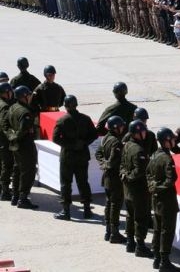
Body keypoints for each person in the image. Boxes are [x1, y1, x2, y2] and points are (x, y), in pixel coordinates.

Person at [52, 95, 98, 220]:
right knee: (83, 182)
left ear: (65, 106)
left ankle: (66, 211)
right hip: (82, 155)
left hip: (68, 156)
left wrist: (70, 145)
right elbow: (94, 134)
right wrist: (83, 143)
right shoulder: (85, 119)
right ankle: (87, 210)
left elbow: (55, 138)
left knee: (66, 184)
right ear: (76, 105)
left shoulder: (62, 120)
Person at [147, 127, 180, 272]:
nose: (174, 141)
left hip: (156, 200)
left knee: (157, 229)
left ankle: (156, 258)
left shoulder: (155, 154)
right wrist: (159, 187)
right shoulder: (167, 158)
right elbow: (171, 179)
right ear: (166, 141)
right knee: (167, 231)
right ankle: (164, 262)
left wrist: (153, 187)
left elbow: (148, 174)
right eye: (172, 139)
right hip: (166, 201)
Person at [120, 119, 153, 258]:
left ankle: (130, 242)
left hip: (127, 190)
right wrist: (129, 177)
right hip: (138, 190)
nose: (145, 133)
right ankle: (140, 246)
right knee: (141, 217)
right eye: (142, 131)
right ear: (136, 134)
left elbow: (121, 164)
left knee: (130, 215)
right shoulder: (139, 150)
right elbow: (140, 171)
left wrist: (124, 175)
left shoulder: (127, 145)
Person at [95, 115, 127, 243]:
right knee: (115, 205)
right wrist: (107, 165)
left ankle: (108, 231)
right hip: (115, 178)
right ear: (115, 128)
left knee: (109, 204)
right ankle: (114, 232)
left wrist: (103, 165)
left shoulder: (105, 139)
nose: (123, 128)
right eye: (121, 126)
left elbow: (98, 154)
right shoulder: (116, 142)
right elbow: (114, 160)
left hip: (107, 177)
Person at [7, 86, 38, 208]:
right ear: (24, 96)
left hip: (15, 145)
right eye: (29, 95)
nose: (30, 97)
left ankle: (15, 196)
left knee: (17, 169)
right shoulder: (25, 112)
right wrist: (17, 137)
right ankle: (23, 198)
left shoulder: (12, 107)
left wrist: (12, 137)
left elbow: (7, 124)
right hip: (25, 145)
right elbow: (23, 130)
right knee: (28, 171)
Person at [0, 82, 15, 200]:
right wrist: (13, 137)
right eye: (9, 92)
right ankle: (5, 191)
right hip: (3, 140)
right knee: (7, 164)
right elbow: (5, 125)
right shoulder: (4, 106)